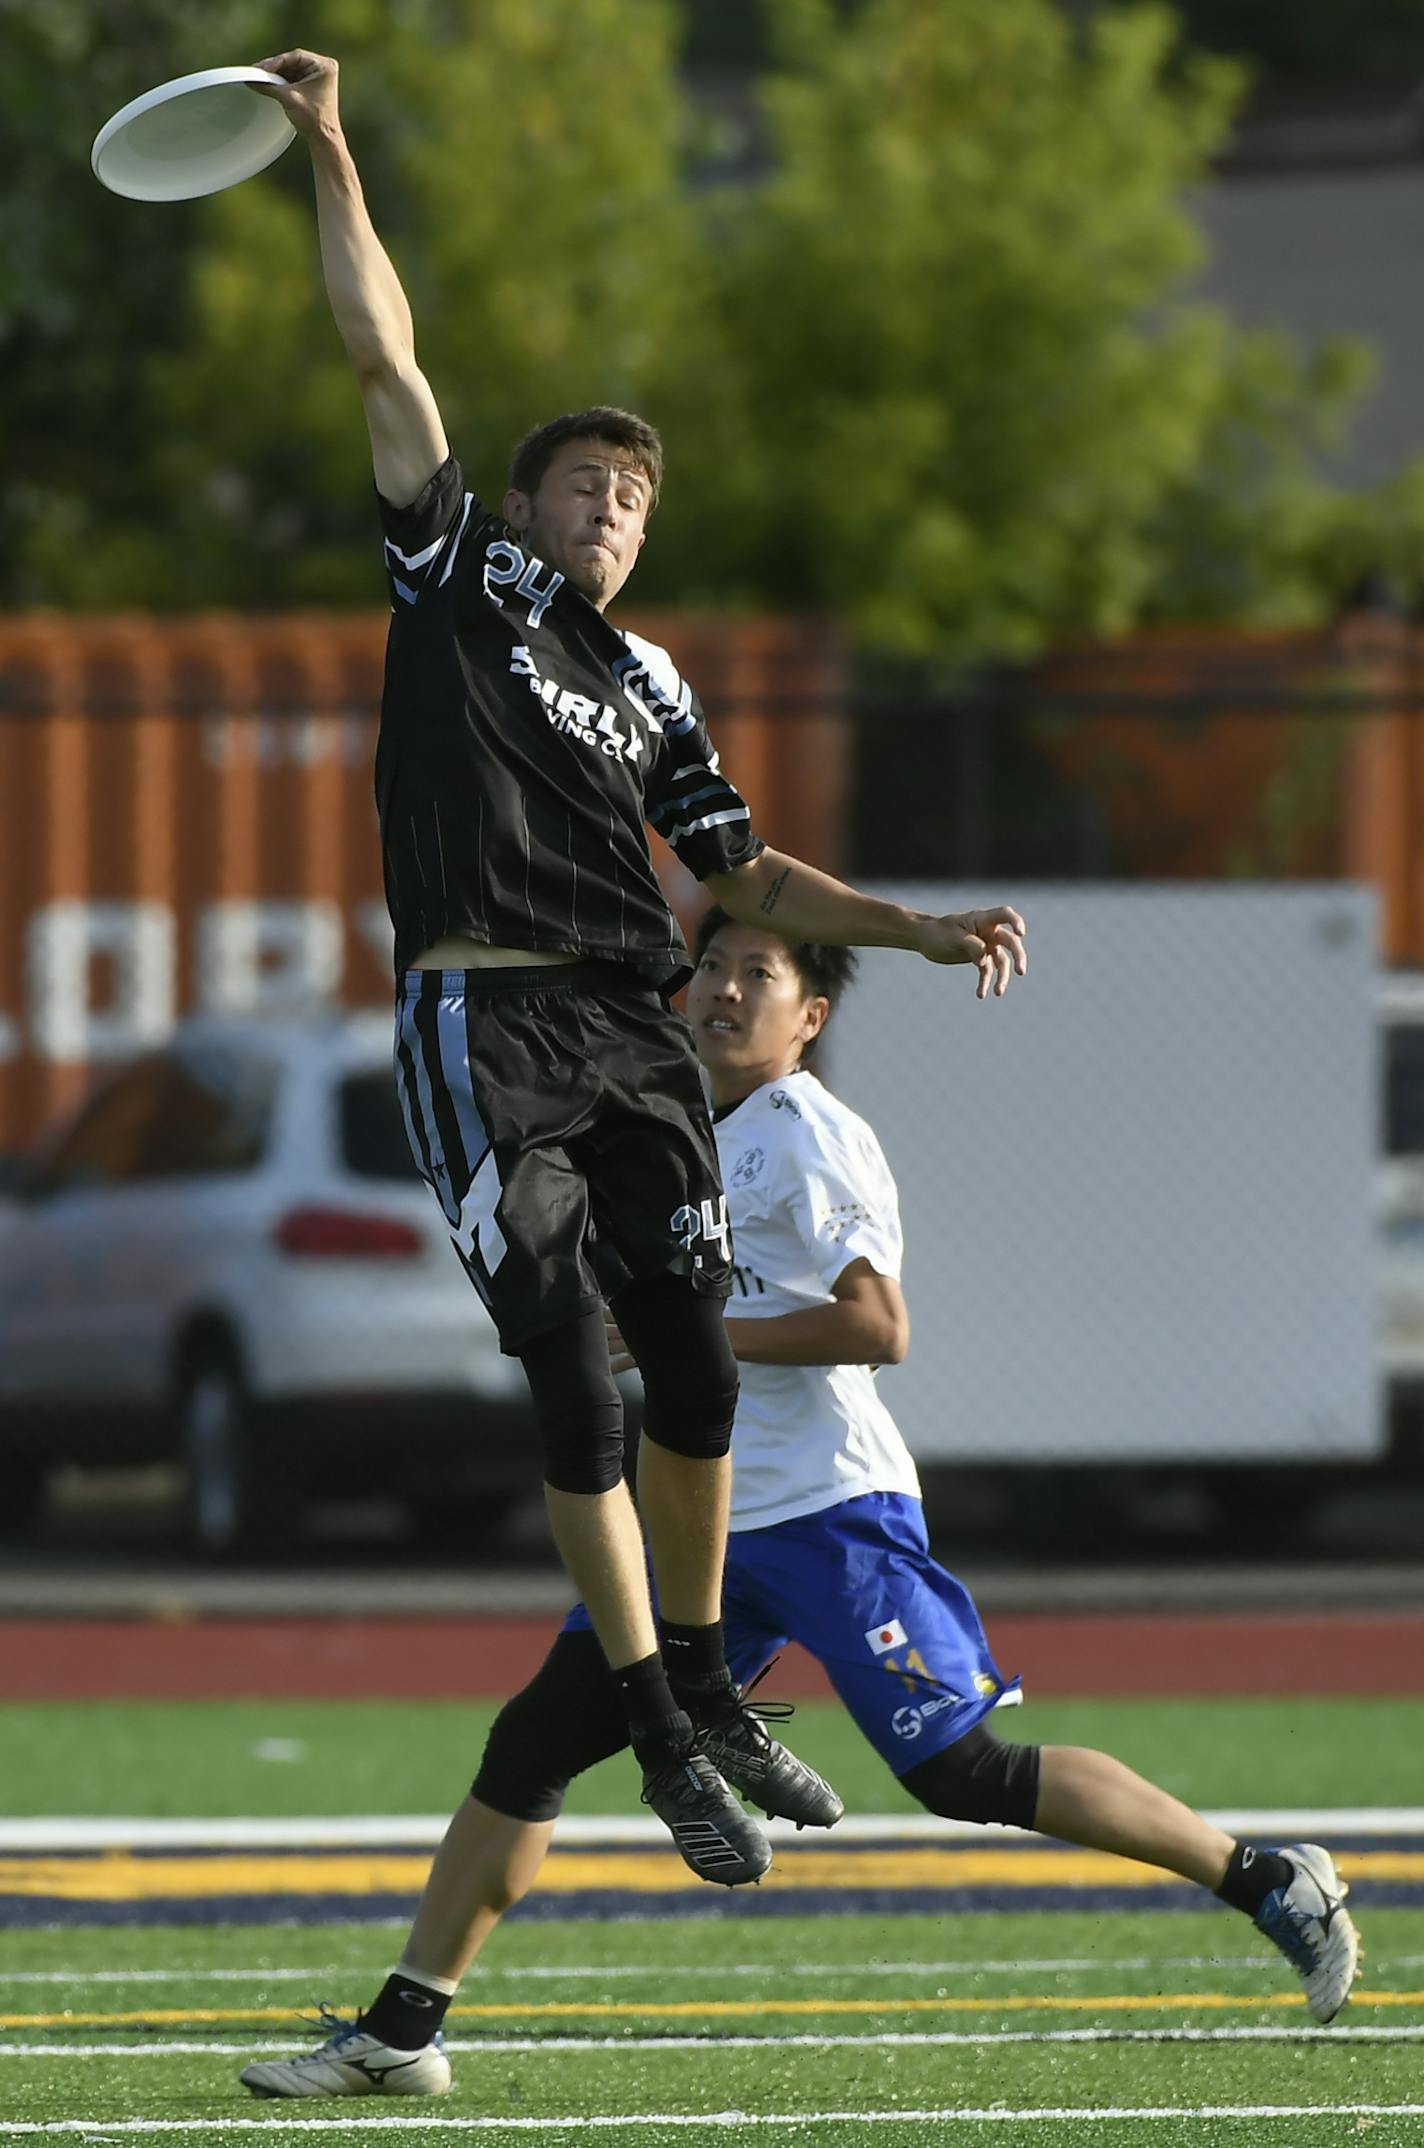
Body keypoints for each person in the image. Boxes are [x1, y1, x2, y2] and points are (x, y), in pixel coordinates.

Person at [250, 49, 1028, 1890]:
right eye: (584, 480)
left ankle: (696, 1680)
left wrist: (905, 925)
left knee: (688, 1368)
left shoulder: (658, 682)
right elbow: (383, 356)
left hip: (625, 1022)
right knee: (576, 1385)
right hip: (485, 1015)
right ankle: (665, 1715)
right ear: (522, 507)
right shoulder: (456, 576)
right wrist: (331, 152)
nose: (611, 505)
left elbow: (741, 865)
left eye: (632, 494)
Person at [240, 909, 1361, 2101]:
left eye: (756, 974)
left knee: (962, 1772)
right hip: (698, 1516)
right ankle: (405, 2029)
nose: (721, 989)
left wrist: (689, 1331)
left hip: (828, 1514)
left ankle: (1263, 1878)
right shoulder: (668, 1125)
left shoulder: (805, 1132)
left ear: (808, 1018)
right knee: (534, 1743)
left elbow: (880, 1326)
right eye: (711, 966)